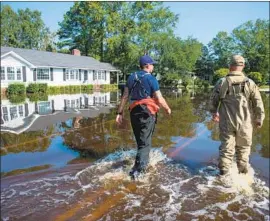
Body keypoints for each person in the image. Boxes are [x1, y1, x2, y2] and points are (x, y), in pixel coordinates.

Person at [210, 55, 265, 184]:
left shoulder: (221, 82)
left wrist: (214, 112)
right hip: (245, 123)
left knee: (226, 149)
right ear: (243, 66)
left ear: (230, 66)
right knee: (244, 149)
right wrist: (259, 118)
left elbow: (213, 101)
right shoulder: (250, 83)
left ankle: (223, 176)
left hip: (226, 122)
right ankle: (243, 175)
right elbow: (258, 103)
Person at [116, 55, 171, 179]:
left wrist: (119, 113)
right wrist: (167, 108)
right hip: (147, 112)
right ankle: (138, 173)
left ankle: (140, 163)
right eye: (152, 64)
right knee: (145, 144)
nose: (153, 66)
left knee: (140, 141)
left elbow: (125, 96)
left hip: (134, 111)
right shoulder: (151, 79)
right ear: (147, 65)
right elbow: (159, 97)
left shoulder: (131, 77)